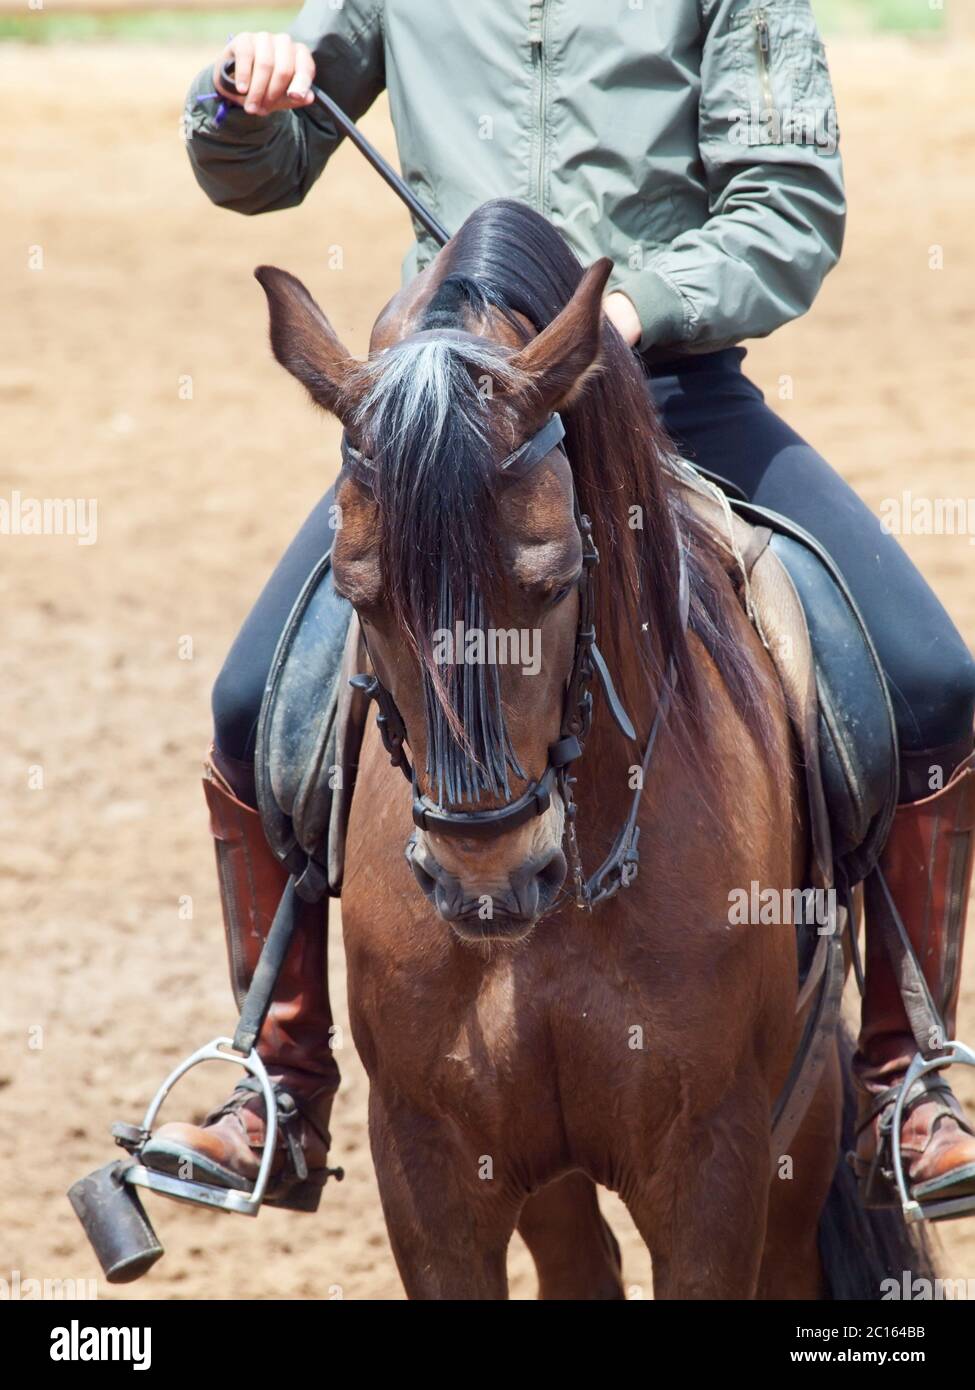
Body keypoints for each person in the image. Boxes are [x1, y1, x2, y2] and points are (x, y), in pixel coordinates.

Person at [145, 2, 975, 1218]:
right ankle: (278, 1074)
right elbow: (262, 169)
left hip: (666, 389)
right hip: (455, 427)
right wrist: (237, 93)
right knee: (249, 703)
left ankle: (907, 1076)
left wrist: (636, 305)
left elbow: (787, 207)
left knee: (928, 680)